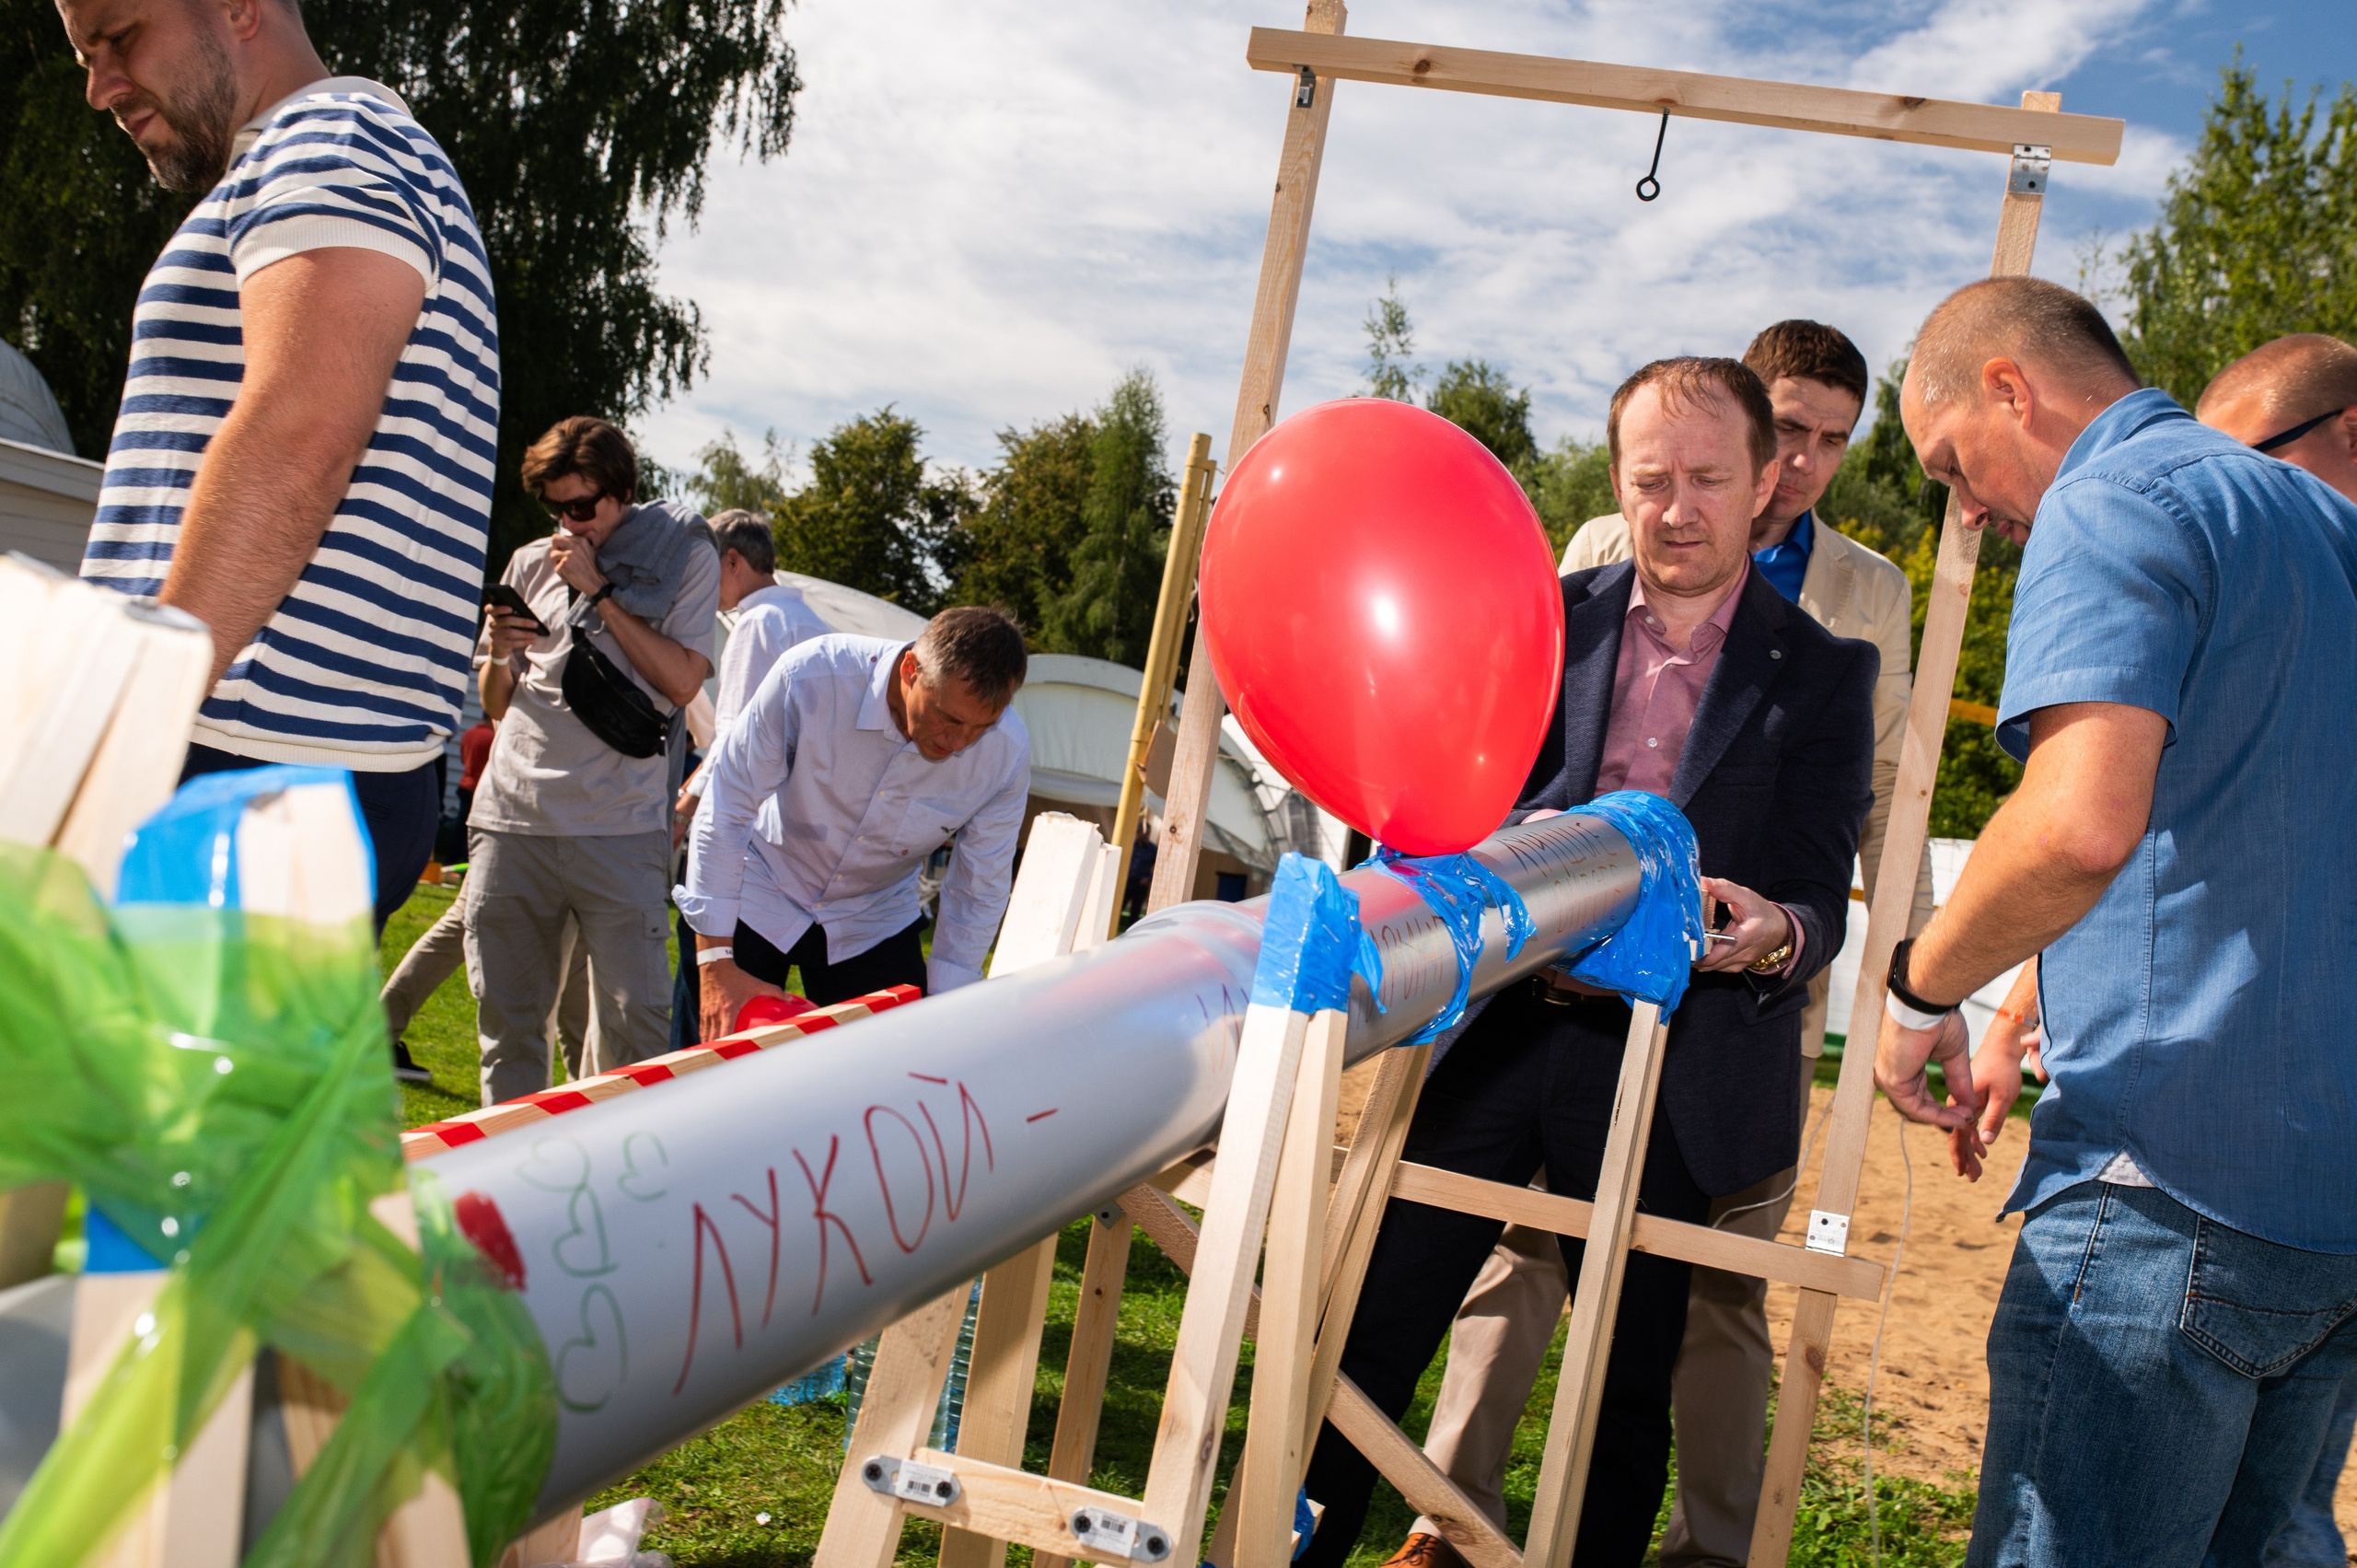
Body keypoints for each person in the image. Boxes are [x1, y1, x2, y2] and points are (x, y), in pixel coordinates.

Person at [1297, 357, 1875, 1568]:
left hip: (1677, 1061)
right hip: (1504, 1028)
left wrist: (1771, 927)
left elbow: (1820, 893)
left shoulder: (1826, 672)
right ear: (1616, 479)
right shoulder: (1538, 615)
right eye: (1650, 477)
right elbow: (1443, 794)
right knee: (1377, 1323)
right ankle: (1296, 1540)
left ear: (1766, 477)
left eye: (1708, 477)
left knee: (1624, 1386)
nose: (1677, 507)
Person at [1875, 279, 2357, 1568]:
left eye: (1949, 467)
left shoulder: (2115, 496)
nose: (1963, 508)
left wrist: (1920, 992)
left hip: (2168, 1186)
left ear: (2009, 389)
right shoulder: (2322, 519)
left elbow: (2079, 823)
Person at [66, 0, 497, 941]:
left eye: (119, 37)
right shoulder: (332, 151)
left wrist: (129, 716)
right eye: (84, 55)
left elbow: (302, 430)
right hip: (265, 771)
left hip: (241, 769)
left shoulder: (329, 141)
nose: (100, 87)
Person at [466, 418, 718, 1104]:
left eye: (582, 507)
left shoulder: (682, 557)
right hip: (511, 820)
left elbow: (683, 682)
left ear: (624, 491)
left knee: (633, 1025)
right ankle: (514, 1187)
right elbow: (497, 703)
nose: (568, 524)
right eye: (555, 508)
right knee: (510, 1024)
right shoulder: (527, 562)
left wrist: (600, 592)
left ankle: (625, 1184)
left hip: (618, 826)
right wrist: (497, 650)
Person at [679, 607, 1031, 1035]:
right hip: (758, 884)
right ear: (910, 669)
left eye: (982, 727)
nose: (959, 743)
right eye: (949, 717)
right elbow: (727, 804)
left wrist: (944, 1010)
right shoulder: (812, 677)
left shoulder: (1007, 754)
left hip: (873, 915)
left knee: (895, 1068)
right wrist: (715, 964)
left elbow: (979, 887)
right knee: (699, 1068)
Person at [668, 508, 828, 1040]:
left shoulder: (757, 623)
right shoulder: (813, 625)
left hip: (747, 853)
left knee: (705, 1017)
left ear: (732, 561)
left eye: (701, 568)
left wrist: (685, 807)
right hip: (805, 854)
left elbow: (732, 742)